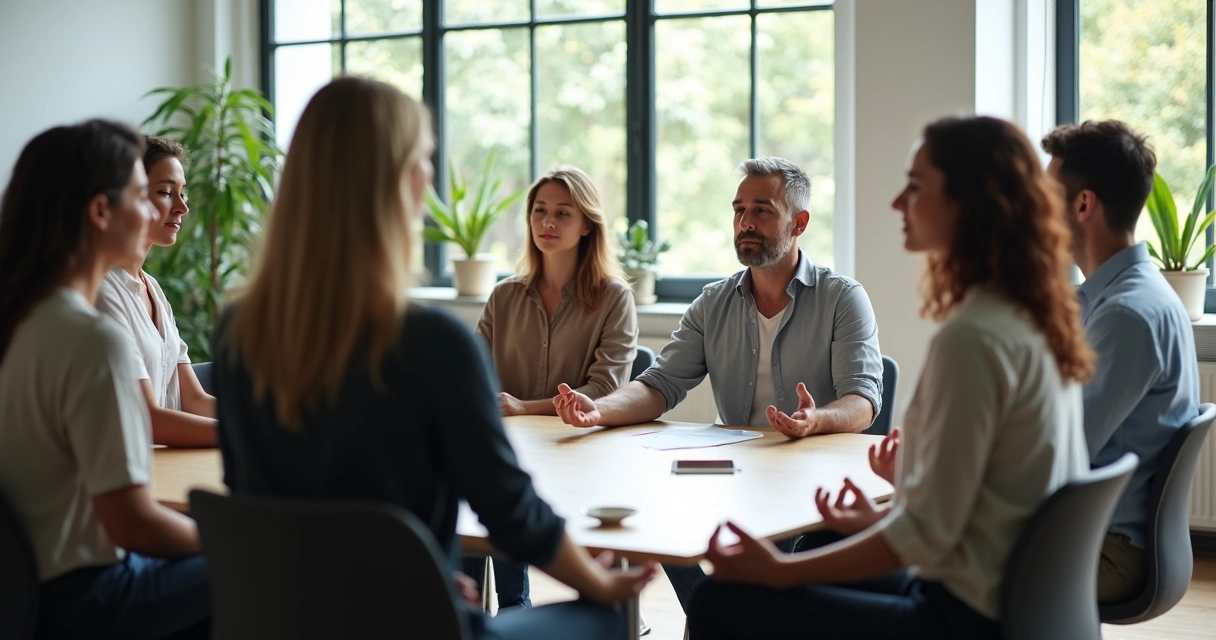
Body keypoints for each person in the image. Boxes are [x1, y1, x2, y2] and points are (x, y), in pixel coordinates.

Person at [211, 76, 656, 640]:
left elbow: (268, 506)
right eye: (422, 157)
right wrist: (600, 586)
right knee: (603, 621)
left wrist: (425, 575)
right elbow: (512, 513)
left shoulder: (237, 330)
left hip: (285, 619)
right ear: (397, 182)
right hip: (414, 624)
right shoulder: (434, 343)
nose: (429, 174)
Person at [686, 115, 1095, 639]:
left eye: (916, 186)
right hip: (1013, 599)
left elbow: (925, 536)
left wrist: (781, 571)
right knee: (807, 554)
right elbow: (959, 514)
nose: (898, 202)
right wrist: (879, 519)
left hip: (963, 617)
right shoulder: (1025, 316)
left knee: (724, 600)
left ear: (967, 205)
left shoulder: (974, 338)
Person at [552, 156, 883, 612]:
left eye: (762, 210)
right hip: (737, 472)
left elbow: (862, 401)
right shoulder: (714, 301)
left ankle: (732, 617)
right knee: (652, 518)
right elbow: (659, 384)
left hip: (812, 478)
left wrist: (816, 419)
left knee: (770, 588)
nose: (745, 222)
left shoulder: (842, 296)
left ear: (799, 223)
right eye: (738, 209)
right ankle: (714, 615)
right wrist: (600, 410)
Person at [0, 120, 210, 639]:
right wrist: (227, 540)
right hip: (84, 595)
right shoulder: (92, 340)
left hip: (23, 591)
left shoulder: (24, 320)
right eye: (144, 196)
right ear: (100, 212)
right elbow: (133, 524)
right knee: (271, 560)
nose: (156, 212)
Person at [465, 165, 638, 611]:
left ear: (586, 226)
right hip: (507, 449)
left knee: (497, 492)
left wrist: (524, 408)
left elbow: (604, 388)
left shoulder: (613, 296)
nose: (547, 223)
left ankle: (511, 611)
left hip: (578, 453)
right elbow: (474, 377)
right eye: (540, 211)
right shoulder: (505, 296)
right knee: (472, 489)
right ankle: (477, 614)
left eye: (563, 213)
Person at [1042, 120, 1200, 603]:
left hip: (1106, 549)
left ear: (1084, 205)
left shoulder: (1128, 315)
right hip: (1100, 534)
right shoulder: (1116, 300)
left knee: (929, 561)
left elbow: (1058, 455)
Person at [96, 135, 216, 448]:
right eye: (165, 193)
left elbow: (194, 398)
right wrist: (246, 436)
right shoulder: (103, 291)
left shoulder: (153, 289)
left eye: (183, 193)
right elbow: (146, 418)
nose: (182, 207)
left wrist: (263, 426)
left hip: (170, 464)